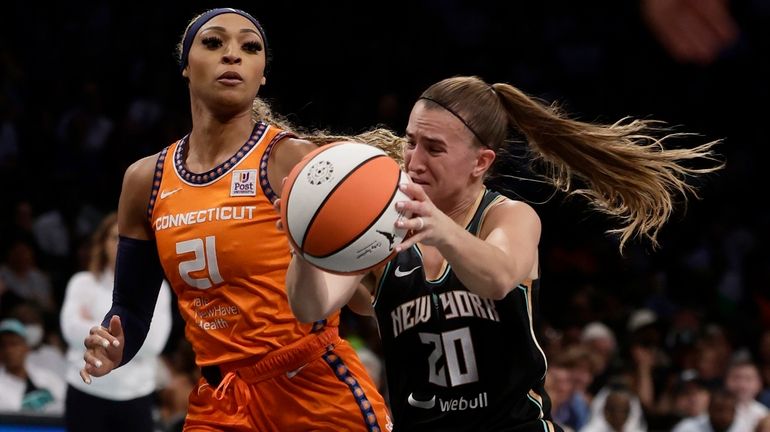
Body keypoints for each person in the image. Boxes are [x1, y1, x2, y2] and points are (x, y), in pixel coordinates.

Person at [284, 75, 721, 431]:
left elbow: (497, 278)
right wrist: (306, 244)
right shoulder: (382, 225)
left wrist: (439, 229)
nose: (414, 160)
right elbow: (310, 305)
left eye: (434, 148)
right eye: (411, 141)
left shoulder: (510, 216)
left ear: (480, 162)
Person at [78, 7, 393, 431]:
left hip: (312, 390)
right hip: (219, 403)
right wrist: (115, 345)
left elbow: (362, 278)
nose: (233, 55)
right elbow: (131, 309)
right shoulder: (145, 180)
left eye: (250, 47)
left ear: (262, 74)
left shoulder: (294, 161)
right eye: (213, 43)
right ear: (186, 66)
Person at [61, 212, 172, 432]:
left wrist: (93, 324)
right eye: (115, 237)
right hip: (85, 393)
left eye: (127, 237)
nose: (121, 244)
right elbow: (70, 331)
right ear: (102, 244)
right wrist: (130, 333)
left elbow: (154, 344)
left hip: (135, 394)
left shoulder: (157, 288)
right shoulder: (82, 282)